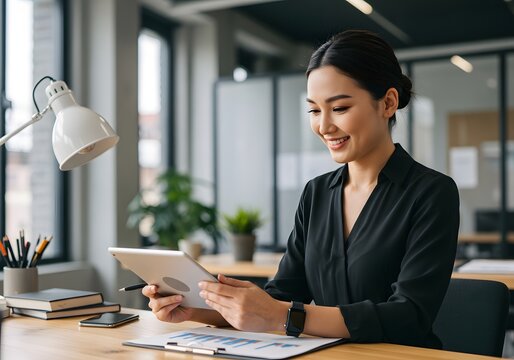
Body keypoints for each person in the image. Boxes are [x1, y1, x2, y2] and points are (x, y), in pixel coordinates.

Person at [142, 29, 459, 349]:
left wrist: (283, 315)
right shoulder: (317, 193)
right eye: (314, 110)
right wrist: (196, 311)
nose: (323, 126)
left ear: (388, 102)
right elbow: (282, 297)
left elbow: (409, 315)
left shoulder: (432, 193)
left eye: (339, 108)